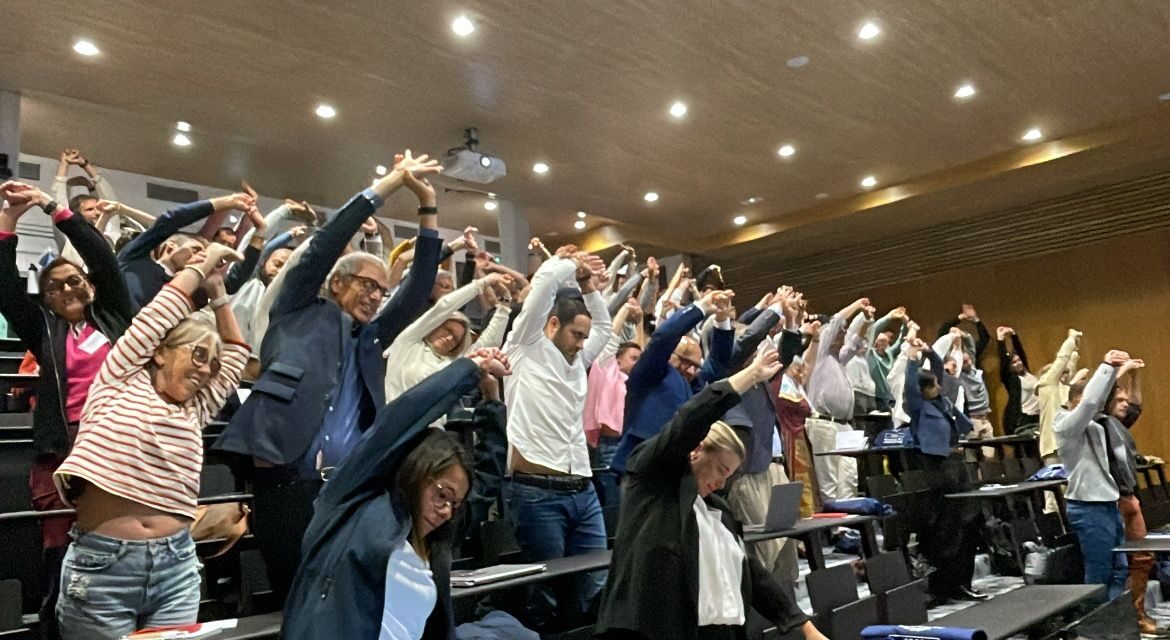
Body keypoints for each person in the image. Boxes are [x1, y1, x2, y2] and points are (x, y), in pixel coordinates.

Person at [214, 151, 444, 601]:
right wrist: (390, 184)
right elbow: (326, 242)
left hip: (353, 489)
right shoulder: (296, 307)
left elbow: (418, 290)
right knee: (296, 599)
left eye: (381, 289)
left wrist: (428, 204)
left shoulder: (371, 337)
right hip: (287, 486)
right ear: (337, 283)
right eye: (367, 284)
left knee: (351, 599)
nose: (376, 296)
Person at [50, 242, 250, 639]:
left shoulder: (196, 406)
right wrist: (206, 262)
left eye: (211, 362)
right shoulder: (120, 378)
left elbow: (238, 354)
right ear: (159, 352)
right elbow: (163, 309)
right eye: (197, 354)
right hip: (103, 568)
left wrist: (220, 294)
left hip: (175, 567)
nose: (206, 370)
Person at [594, 348, 828, 640]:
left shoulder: (719, 512)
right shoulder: (653, 483)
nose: (720, 483)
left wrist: (803, 626)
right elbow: (688, 420)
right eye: (720, 468)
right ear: (696, 450)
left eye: (728, 475)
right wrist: (749, 376)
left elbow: (752, 573)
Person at [283, 349, 510, 640]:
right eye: (442, 495)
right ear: (418, 473)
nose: (447, 511)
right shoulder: (349, 508)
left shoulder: (435, 541)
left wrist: (491, 403)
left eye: (455, 503)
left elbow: (487, 480)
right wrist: (469, 369)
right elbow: (396, 422)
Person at [0, 181, 137, 635]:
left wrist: (51, 205)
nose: (67, 288)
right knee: (66, 563)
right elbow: (3, 285)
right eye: (56, 286)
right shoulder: (45, 332)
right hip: (65, 451)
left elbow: (99, 255)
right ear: (49, 298)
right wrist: (10, 220)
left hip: (118, 448)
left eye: (75, 280)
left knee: (116, 551)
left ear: (90, 287)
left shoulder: (114, 315)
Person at [501, 245, 612, 628]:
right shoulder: (524, 346)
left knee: (596, 585)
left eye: (584, 335)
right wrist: (570, 264)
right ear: (551, 324)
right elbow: (545, 281)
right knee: (545, 597)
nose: (582, 342)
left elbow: (606, 329)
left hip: (582, 490)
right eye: (575, 333)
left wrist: (587, 285)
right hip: (535, 492)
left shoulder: (577, 361)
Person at [902, 338, 987, 605]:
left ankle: (962, 582)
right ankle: (942, 586)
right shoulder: (917, 407)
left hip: (957, 466)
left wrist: (929, 352)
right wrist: (913, 359)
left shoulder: (940, 402)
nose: (940, 385)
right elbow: (910, 384)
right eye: (934, 384)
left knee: (969, 524)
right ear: (923, 390)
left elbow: (936, 369)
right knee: (945, 531)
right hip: (938, 469)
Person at [613, 287, 734, 474]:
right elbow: (663, 338)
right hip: (638, 470)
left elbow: (717, 368)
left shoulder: (692, 384)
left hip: (673, 472)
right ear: (671, 354)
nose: (691, 370)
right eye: (686, 362)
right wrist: (701, 307)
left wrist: (722, 320)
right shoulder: (649, 373)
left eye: (696, 365)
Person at [1054, 350, 1131, 601]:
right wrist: (1106, 365)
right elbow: (1090, 403)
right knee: (1099, 573)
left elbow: (1095, 403)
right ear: (1076, 400)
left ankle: (1114, 624)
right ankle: (1095, 627)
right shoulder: (1065, 425)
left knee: (1120, 568)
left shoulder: (1095, 424)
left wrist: (1112, 375)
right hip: (1088, 508)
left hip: (1107, 504)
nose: (1098, 406)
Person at [382, 272, 513, 404]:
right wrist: (482, 283)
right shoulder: (409, 342)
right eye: (448, 330)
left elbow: (490, 341)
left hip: (436, 424)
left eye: (456, 339)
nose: (450, 338)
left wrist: (504, 305)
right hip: (397, 420)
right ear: (435, 326)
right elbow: (443, 307)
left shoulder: (452, 363)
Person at [116, 191, 257, 309]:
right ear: (171, 245)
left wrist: (261, 231)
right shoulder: (136, 258)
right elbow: (170, 220)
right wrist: (227, 202)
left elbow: (234, 282)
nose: (200, 256)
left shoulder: (191, 293)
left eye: (204, 254)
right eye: (195, 249)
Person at [804, 297, 871, 502]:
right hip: (824, 422)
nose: (843, 334)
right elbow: (834, 323)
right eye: (841, 331)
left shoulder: (837, 357)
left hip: (844, 426)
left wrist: (866, 321)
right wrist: (857, 305)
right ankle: (835, 530)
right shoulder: (820, 353)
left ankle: (849, 526)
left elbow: (854, 344)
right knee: (830, 481)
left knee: (849, 478)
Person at [1037, 329, 1081, 464]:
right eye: (1062, 372)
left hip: (1069, 445)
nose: (1065, 374)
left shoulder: (1064, 388)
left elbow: (1070, 365)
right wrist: (1071, 339)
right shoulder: (1046, 384)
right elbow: (1062, 360)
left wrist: (1075, 349)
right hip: (1053, 447)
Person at [996, 327, 1040, 435]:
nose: (1018, 363)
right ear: (1010, 366)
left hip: (1036, 417)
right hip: (1023, 419)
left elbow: (1021, 353)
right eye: (1014, 362)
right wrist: (1000, 340)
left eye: (1018, 360)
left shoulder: (1027, 374)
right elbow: (1004, 362)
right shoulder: (1012, 380)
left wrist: (1014, 336)